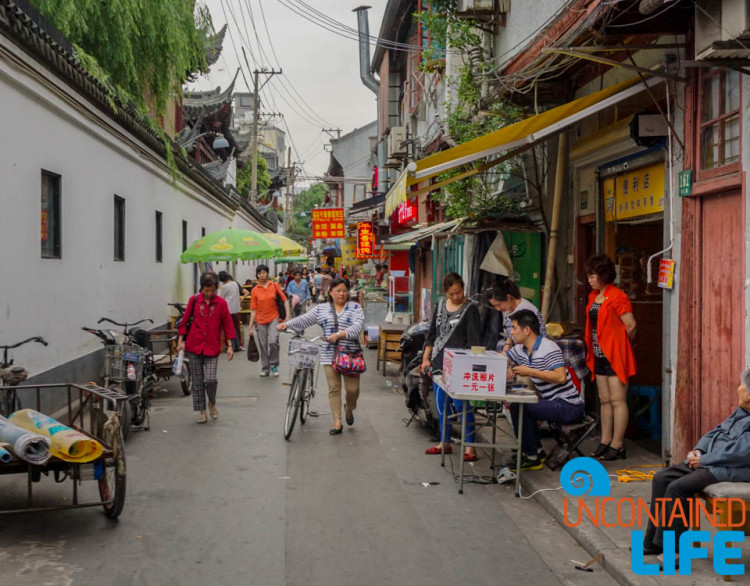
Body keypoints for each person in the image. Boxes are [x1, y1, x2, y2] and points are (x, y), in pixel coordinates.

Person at [642, 369, 750, 561]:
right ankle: (653, 542)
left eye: (741, 385)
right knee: (662, 478)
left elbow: (740, 453)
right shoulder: (741, 411)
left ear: (749, 394)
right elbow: (714, 432)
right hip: (711, 460)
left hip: (733, 469)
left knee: (678, 488)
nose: (738, 388)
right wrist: (699, 450)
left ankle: (673, 550)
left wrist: (704, 460)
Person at [278, 277, 365, 435]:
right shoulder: (322, 309)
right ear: (330, 292)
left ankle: (349, 408)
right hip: (329, 353)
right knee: (334, 388)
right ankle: (337, 422)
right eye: (338, 291)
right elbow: (305, 319)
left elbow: (358, 327)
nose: (342, 294)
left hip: (351, 355)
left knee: (353, 390)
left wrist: (339, 335)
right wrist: (288, 324)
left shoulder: (355, 308)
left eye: (345, 291)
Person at [504, 310, 584, 470]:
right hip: (553, 403)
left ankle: (532, 456)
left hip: (569, 406)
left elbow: (560, 377)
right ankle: (536, 451)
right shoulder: (521, 349)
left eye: (514, 328)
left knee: (520, 407)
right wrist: (508, 366)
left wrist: (530, 371)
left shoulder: (548, 348)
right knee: (520, 404)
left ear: (526, 330)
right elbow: (502, 357)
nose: (511, 333)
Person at [420, 273, 481, 461]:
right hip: (439, 362)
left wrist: (472, 365)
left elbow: (475, 341)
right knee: (442, 405)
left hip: (460, 364)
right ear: (446, 293)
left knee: (462, 405)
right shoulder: (439, 306)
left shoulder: (470, 310)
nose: (456, 296)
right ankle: (444, 442)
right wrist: (426, 358)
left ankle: (470, 446)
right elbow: (432, 334)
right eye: (452, 293)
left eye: (459, 292)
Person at [584, 254, 637, 461]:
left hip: (615, 354)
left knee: (617, 400)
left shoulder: (618, 296)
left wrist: (624, 344)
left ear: (603, 275)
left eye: (592, 275)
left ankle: (618, 443)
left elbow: (631, 325)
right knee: (605, 400)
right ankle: (605, 441)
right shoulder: (593, 297)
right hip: (598, 353)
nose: (589, 279)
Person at [177, 272, 235, 424]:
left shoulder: (221, 303)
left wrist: (230, 346)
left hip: (212, 346)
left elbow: (228, 325)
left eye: (212, 290)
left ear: (216, 288)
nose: (209, 293)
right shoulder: (194, 300)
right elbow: (184, 321)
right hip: (194, 345)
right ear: (201, 288)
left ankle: (212, 402)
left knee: (210, 379)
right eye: (206, 290)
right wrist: (180, 340)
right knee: (197, 381)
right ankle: (202, 411)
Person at [248, 264, 290, 377]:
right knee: (263, 344)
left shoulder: (274, 285)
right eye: (260, 273)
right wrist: (250, 327)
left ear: (267, 273)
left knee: (273, 341)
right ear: (257, 275)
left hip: (274, 317)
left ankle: (274, 364)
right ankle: (265, 368)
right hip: (260, 319)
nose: (262, 275)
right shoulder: (255, 290)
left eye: (264, 272)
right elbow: (253, 310)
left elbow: (285, 300)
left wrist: (287, 316)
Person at [487, 279, 546, 352]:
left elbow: (527, 338)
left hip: (533, 347)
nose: (498, 309)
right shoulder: (507, 308)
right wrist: (508, 343)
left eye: (499, 305)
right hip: (518, 344)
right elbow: (511, 331)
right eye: (495, 306)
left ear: (508, 297)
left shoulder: (524, 310)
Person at [218, 271, 243, 352]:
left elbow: (220, 298)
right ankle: (236, 345)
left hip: (228, 309)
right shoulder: (235, 283)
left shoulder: (225, 287)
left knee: (230, 329)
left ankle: (234, 346)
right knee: (234, 327)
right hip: (236, 308)